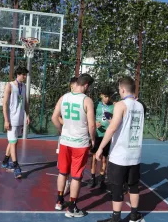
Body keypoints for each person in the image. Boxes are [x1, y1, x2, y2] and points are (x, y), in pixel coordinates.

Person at [96, 76, 145, 222]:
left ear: (123, 89)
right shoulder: (140, 106)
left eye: (119, 89)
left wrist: (100, 148)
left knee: (117, 187)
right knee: (134, 186)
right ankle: (134, 215)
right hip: (135, 153)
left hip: (120, 155)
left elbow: (112, 128)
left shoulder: (121, 105)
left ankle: (116, 218)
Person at [51, 73, 96, 218]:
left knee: (63, 172)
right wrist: (93, 140)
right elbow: (92, 125)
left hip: (65, 141)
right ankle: (72, 208)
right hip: (80, 143)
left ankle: (59, 201)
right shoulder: (87, 100)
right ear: (86, 85)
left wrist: (61, 130)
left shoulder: (64, 97)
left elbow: (54, 117)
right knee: (76, 176)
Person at [1, 67, 30, 179]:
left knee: (13, 141)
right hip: (11, 119)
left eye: (25, 75)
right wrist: (6, 120)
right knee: (14, 142)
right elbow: (4, 104)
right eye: (23, 75)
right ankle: (16, 166)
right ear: (18, 74)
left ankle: (4, 161)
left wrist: (27, 115)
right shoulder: (10, 86)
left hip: (19, 119)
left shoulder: (24, 86)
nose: (25, 77)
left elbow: (26, 103)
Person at [89, 87, 115, 189]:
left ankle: (102, 178)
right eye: (105, 96)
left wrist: (111, 122)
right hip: (97, 135)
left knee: (104, 158)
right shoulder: (95, 105)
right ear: (101, 95)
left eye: (108, 97)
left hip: (107, 136)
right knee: (94, 157)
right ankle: (92, 178)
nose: (107, 99)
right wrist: (95, 124)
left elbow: (115, 120)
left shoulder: (113, 106)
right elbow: (90, 118)